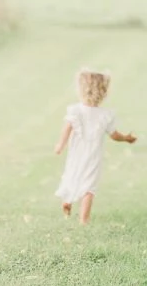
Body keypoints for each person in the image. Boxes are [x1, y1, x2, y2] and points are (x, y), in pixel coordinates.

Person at [54, 67, 137, 224]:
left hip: (76, 153)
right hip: (93, 156)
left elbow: (67, 129)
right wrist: (126, 138)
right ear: (103, 92)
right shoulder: (104, 115)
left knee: (72, 174)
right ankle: (84, 220)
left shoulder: (76, 111)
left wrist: (60, 145)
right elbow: (114, 135)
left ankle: (67, 199)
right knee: (89, 187)